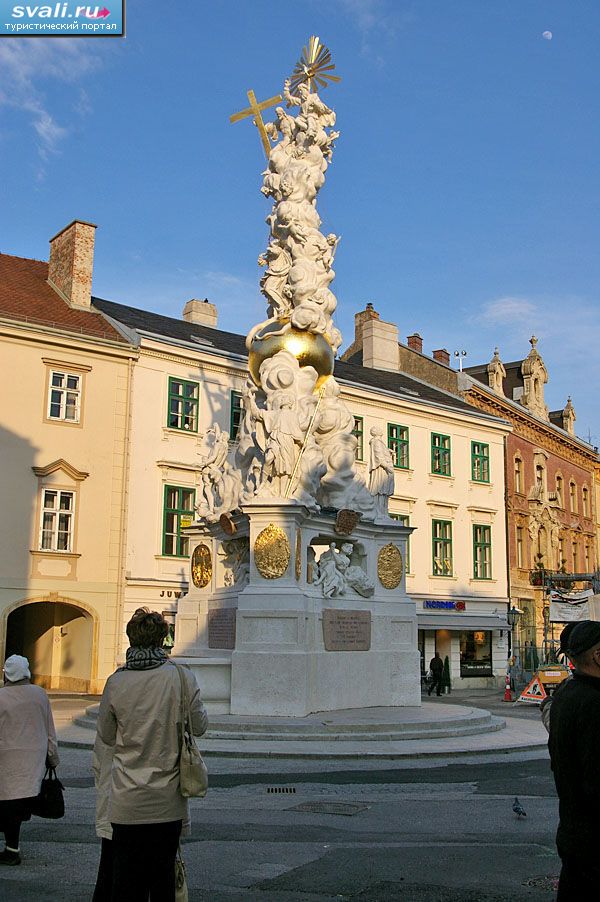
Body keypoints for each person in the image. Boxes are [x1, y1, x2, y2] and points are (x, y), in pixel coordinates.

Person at [93, 608, 208, 901]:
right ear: (163, 639)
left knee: (126, 884)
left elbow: (106, 735)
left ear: (131, 639)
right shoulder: (182, 678)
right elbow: (200, 726)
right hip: (167, 801)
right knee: (162, 882)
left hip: (126, 801)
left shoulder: (116, 682)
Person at [548, 620, 600, 899]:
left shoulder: (566, 695)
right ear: (597, 656)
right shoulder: (594, 702)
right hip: (594, 841)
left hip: (571, 831)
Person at [0, 654, 59, 866]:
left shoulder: (1, 696)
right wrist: (53, 756)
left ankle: (10, 849)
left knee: (6, 803)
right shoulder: (40, 694)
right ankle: (11, 848)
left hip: (5, 757)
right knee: (18, 804)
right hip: (32, 758)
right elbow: (49, 729)